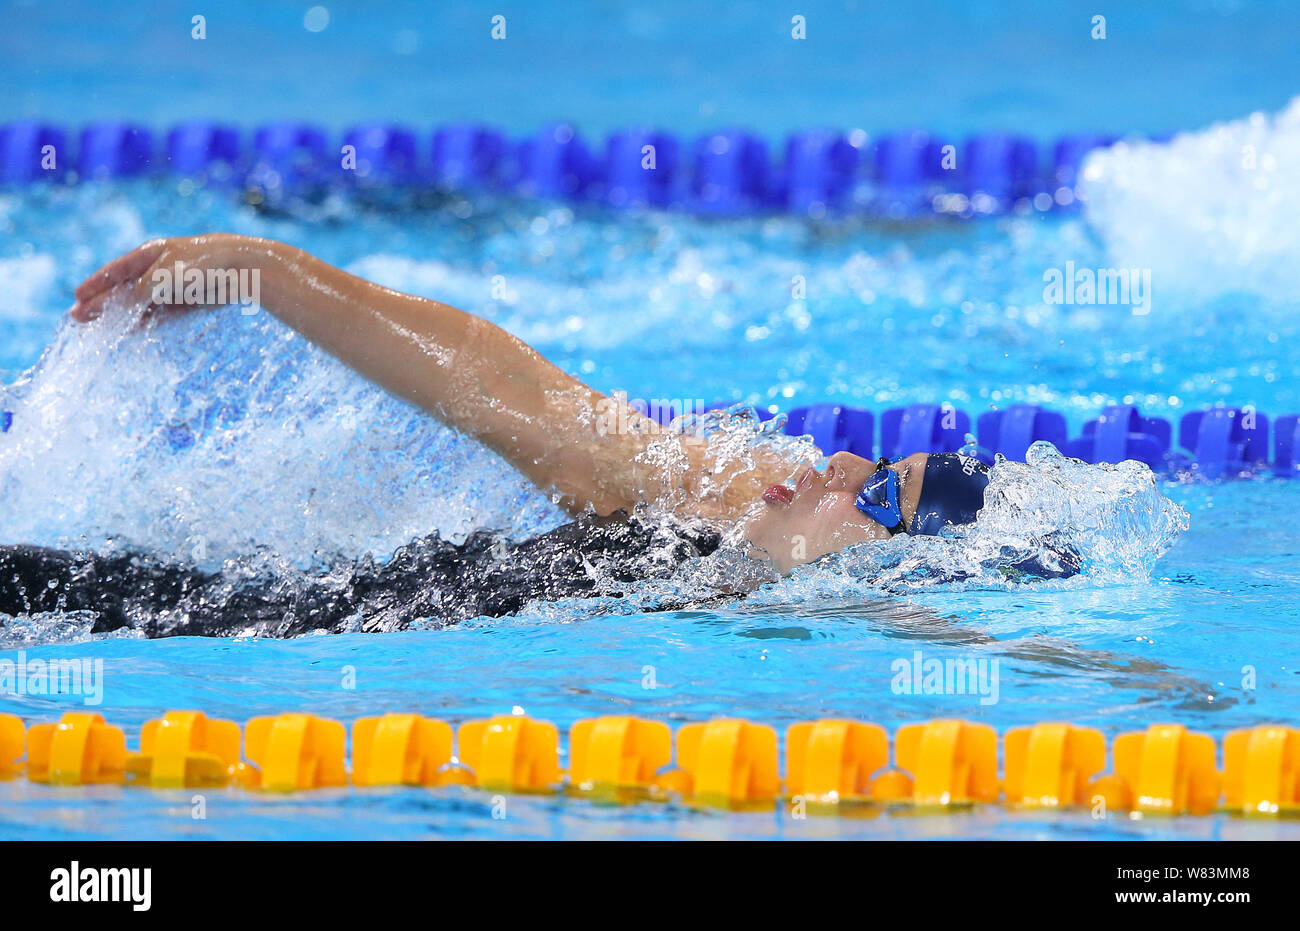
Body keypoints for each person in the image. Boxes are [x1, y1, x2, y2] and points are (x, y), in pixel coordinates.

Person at [0, 235, 1067, 638]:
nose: (839, 467)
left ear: (897, 581)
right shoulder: (691, 520)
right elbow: (505, 389)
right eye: (874, 466)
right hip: (210, 617)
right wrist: (268, 272)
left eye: (879, 497)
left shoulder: (782, 617)